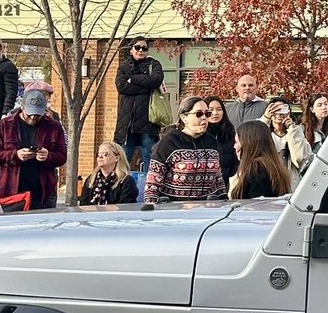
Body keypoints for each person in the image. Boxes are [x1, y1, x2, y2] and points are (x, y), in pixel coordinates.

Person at [0, 88, 68, 210]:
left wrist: (48, 156)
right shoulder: (4, 125)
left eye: (38, 115)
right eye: (29, 114)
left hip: (43, 192)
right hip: (11, 190)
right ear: (22, 107)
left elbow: (62, 156)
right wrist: (15, 155)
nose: (33, 117)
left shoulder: (53, 127)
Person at [144, 96, 227, 203]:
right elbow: (153, 181)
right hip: (174, 207)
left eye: (207, 114)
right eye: (198, 114)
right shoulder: (169, 142)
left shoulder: (212, 142)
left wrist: (224, 200)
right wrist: (151, 205)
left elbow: (218, 178)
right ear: (184, 118)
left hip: (207, 207)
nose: (204, 118)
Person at [113, 37, 164, 173]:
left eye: (144, 48)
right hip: (127, 123)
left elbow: (156, 80)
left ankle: (149, 185)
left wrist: (133, 79)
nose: (141, 50)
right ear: (131, 50)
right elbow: (121, 87)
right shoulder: (124, 66)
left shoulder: (154, 64)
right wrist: (146, 87)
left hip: (148, 121)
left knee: (149, 158)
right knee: (124, 158)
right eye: (137, 47)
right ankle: (123, 184)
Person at [230, 121, 292, 200]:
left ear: (248, 143)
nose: (234, 146)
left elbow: (256, 203)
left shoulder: (257, 169)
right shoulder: (272, 165)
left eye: (236, 142)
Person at [262, 97, 309, 183]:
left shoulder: (296, 132)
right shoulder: (264, 133)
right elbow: (253, 140)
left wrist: (292, 129)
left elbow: (300, 158)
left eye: (282, 109)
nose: (279, 114)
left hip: (290, 180)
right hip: (268, 179)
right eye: (275, 110)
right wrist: (265, 118)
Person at [79, 141, 140, 206]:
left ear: (117, 158)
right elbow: (83, 204)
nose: (100, 157)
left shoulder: (126, 181)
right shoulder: (91, 179)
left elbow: (125, 207)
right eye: (98, 154)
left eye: (105, 154)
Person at [204, 96, 238, 182]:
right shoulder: (200, 135)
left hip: (226, 182)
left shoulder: (230, 134)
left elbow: (236, 160)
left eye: (219, 109)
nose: (215, 113)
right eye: (211, 110)